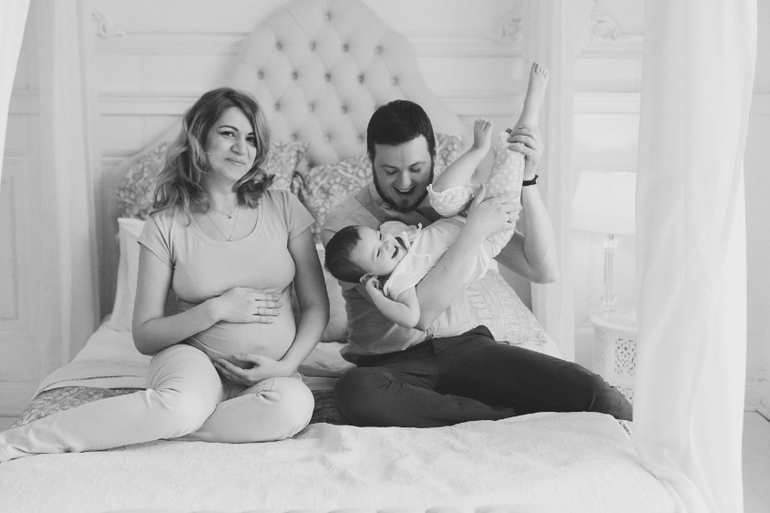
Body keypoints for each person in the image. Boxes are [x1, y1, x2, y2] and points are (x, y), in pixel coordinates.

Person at [0, 87, 329, 461]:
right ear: (200, 138)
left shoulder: (284, 207)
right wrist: (217, 309)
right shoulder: (166, 224)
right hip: (194, 361)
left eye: (252, 138)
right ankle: (17, 442)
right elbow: (145, 334)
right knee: (182, 405)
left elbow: (316, 306)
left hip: (270, 372)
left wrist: (286, 366)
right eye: (228, 133)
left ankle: (163, 425)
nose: (242, 148)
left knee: (292, 409)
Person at [323, 64, 632, 428]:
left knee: (596, 393)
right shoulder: (347, 229)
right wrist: (472, 233)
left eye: (416, 169)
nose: (404, 183)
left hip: (466, 348)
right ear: (371, 162)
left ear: (434, 157)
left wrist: (527, 180)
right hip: (391, 365)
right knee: (354, 392)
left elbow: (543, 269)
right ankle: (498, 414)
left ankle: (476, 406)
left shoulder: (455, 202)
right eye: (390, 171)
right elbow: (422, 313)